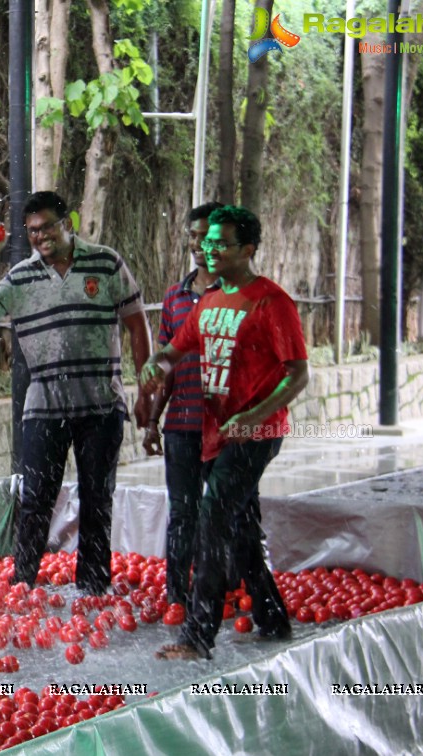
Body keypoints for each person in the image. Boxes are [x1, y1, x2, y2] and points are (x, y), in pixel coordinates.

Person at [139, 206, 308, 660]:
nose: (208, 249)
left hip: (256, 434)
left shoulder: (271, 302)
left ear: (248, 249)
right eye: (206, 241)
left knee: (212, 518)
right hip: (217, 432)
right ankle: (273, 617)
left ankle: (198, 636)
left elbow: (298, 374)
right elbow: (175, 351)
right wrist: (156, 366)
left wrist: (256, 416)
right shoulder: (211, 302)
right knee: (241, 530)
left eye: (220, 243)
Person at [0, 191, 151, 594]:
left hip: (101, 406)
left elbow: (137, 324)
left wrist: (145, 389)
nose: (41, 236)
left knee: (97, 499)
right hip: (44, 408)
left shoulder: (105, 262)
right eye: (33, 230)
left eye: (48, 226)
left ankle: (93, 587)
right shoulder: (21, 277)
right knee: (35, 500)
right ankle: (23, 585)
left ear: (67, 223)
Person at [143, 201, 221, 605]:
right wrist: (153, 421)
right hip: (181, 427)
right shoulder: (175, 297)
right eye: (192, 236)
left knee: (228, 513)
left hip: (226, 431)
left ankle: (227, 590)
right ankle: (178, 595)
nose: (196, 244)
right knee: (183, 514)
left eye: (206, 237)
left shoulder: (238, 296)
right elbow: (166, 367)